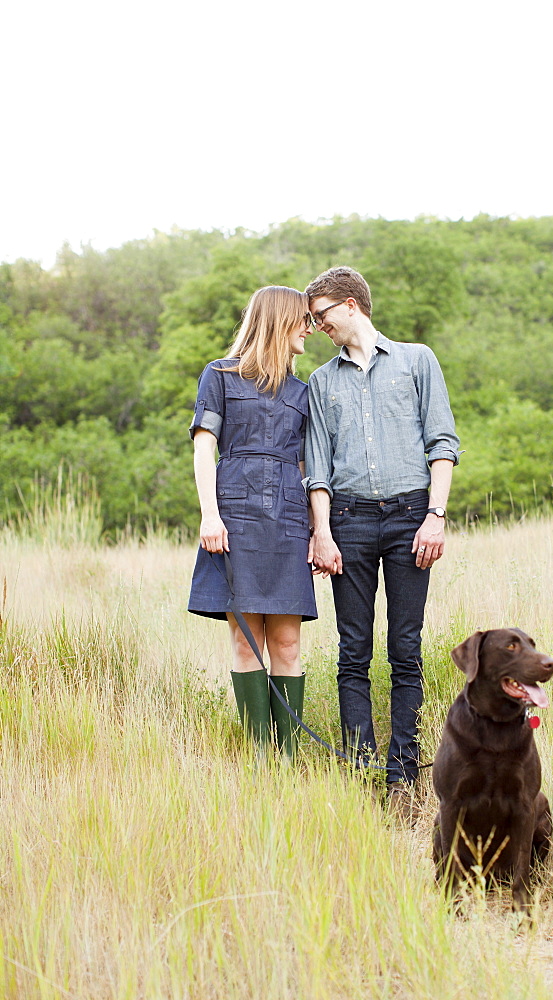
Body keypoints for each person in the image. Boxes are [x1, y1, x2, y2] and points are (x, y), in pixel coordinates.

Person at [304, 266, 459, 812]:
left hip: (412, 516)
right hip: (347, 521)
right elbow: (317, 468)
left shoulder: (417, 360)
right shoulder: (321, 383)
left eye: (321, 315)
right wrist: (321, 533)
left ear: (350, 305)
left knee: (406, 647)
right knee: (352, 650)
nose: (317, 325)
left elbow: (442, 441)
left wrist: (435, 516)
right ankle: (363, 767)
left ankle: (403, 771)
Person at [187, 285, 317, 759]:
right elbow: (204, 448)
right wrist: (209, 515)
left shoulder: (305, 392)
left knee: (286, 642)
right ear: (280, 320)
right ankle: (260, 759)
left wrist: (317, 532)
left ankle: (289, 760)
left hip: (287, 521)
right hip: (234, 518)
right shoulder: (219, 376)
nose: (310, 327)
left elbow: (308, 468)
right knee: (246, 641)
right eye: (303, 319)